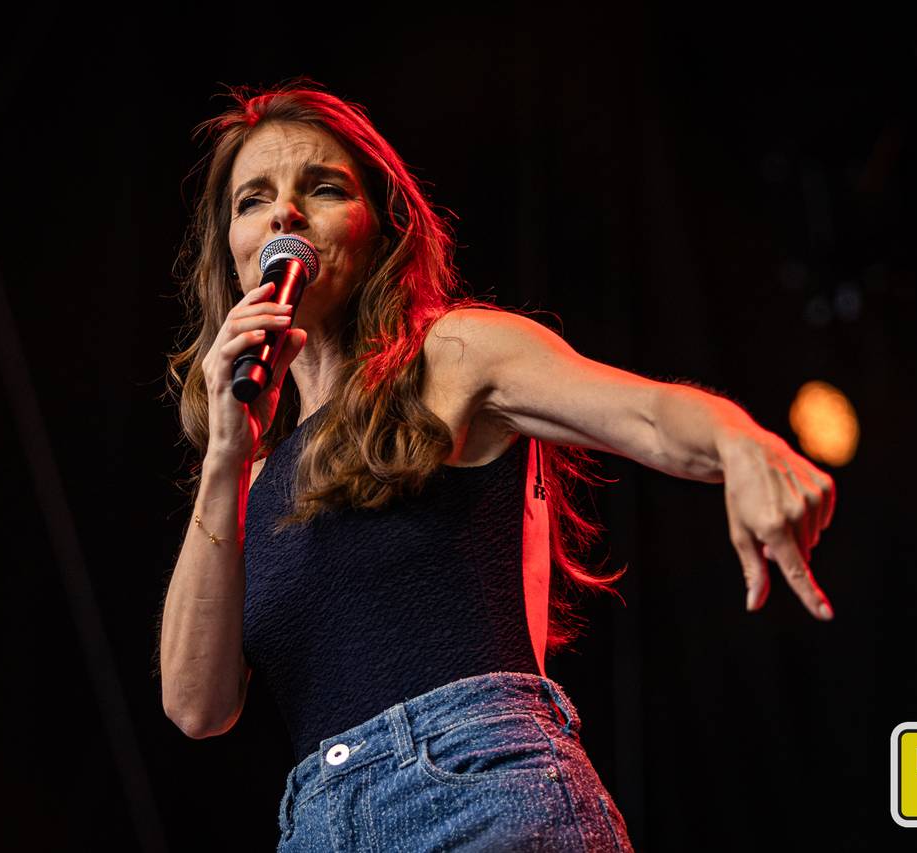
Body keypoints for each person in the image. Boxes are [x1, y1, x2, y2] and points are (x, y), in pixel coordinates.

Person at [157, 80, 836, 852]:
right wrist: (224, 454)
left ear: (381, 227)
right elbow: (196, 704)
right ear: (232, 249)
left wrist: (740, 442)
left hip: (478, 789)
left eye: (323, 187)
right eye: (253, 199)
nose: (284, 212)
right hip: (318, 825)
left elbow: (646, 413)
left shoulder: (451, 355)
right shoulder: (244, 476)